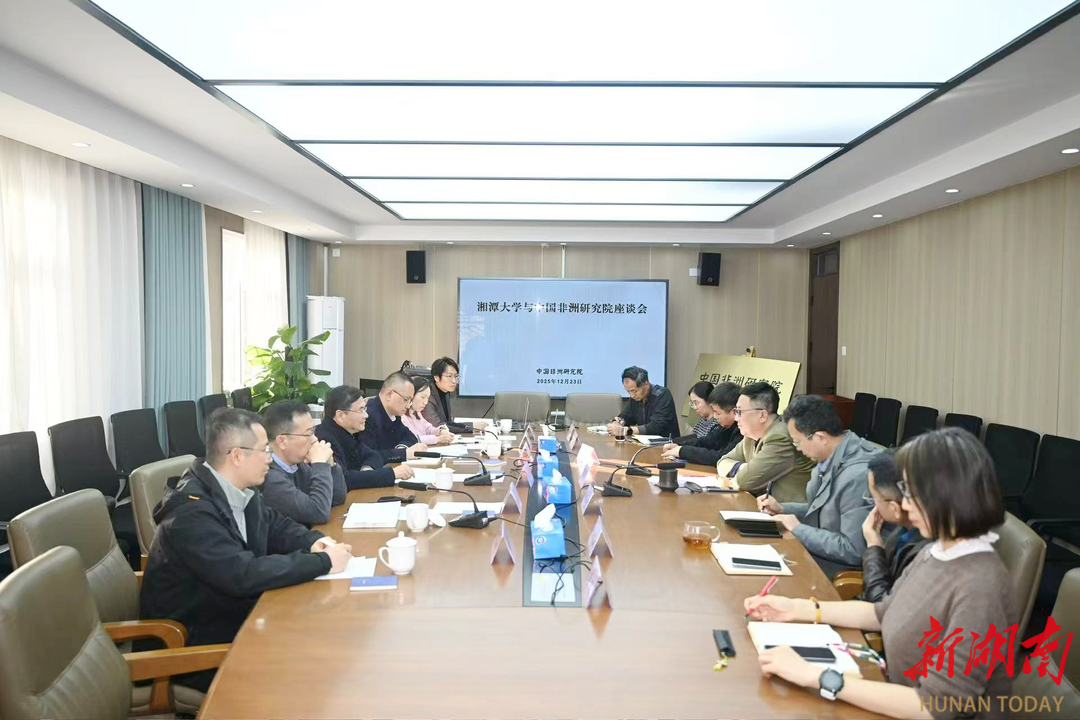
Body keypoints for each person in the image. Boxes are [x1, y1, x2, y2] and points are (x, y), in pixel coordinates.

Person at [745, 428, 1013, 719]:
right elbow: (882, 612)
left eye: (911, 493)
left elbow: (938, 705)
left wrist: (819, 676)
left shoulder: (980, 585)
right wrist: (795, 609)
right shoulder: (937, 551)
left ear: (945, 496)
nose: (904, 504)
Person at [140, 408, 353, 691]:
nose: (270, 459)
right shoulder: (192, 515)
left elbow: (276, 526)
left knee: (328, 635)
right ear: (237, 456)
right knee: (313, 667)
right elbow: (243, 573)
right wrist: (323, 562)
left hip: (235, 617)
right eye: (264, 450)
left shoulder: (239, 490)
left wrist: (313, 541)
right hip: (194, 646)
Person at [757, 395, 876, 577]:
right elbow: (828, 512)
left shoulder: (857, 475)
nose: (797, 448)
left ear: (820, 437)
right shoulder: (830, 457)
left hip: (841, 572)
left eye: (797, 442)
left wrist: (798, 529)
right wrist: (783, 508)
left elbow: (853, 550)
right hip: (819, 557)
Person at [716, 381, 813, 502]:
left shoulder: (780, 438)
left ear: (762, 415)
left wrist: (745, 471)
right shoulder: (751, 435)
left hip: (787, 510)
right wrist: (744, 468)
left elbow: (743, 481)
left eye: (739, 412)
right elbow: (722, 462)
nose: (736, 418)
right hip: (761, 505)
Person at [261, 399, 346, 526]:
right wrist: (320, 465)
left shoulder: (297, 465)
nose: (315, 439)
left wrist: (330, 464)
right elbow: (319, 513)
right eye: (308, 434)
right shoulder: (270, 477)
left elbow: (337, 498)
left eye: (313, 432)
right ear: (282, 441)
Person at [857, 451, 927, 602]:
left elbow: (882, 605)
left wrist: (874, 547)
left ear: (894, 508)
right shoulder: (903, 528)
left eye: (874, 497)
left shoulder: (927, 553)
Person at [315, 385, 414, 489]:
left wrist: (367, 469)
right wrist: (392, 474)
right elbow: (344, 479)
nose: (366, 415)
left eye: (364, 409)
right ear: (340, 415)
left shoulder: (350, 433)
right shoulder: (324, 440)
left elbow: (374, 455)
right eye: (361, 410)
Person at [661, 382, 743, 465]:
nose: (715, 416)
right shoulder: (725, 427)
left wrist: (682, 451)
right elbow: (706, 442)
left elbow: (722, 457)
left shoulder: (742, 431)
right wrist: (678, 445)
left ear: (734, 412)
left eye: (718, 413)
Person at [357, 372, 428, 458]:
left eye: (410, 401)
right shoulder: (368, 416)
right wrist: (404, 453)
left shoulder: (394, 414)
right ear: (389, 394)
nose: (408, 405)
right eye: (406, 400)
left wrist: (401, 448)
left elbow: (410, 437)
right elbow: (370, 456)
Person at [605, 366, 681, 439]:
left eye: (634, 391)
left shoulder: (662, 395)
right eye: (628, 391)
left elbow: (656, 426)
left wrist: (625, 430)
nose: (632, 395)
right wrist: (619, 422)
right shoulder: (635, 398)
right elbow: (626, 417)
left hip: (666, 443)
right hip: (644, 442)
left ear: (646, 384)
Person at [423, 357, 487, 434]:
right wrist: (471, 427)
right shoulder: (427, 397)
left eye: (456, 376)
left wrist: (471, 426)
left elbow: (448, 422)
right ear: (436, 378)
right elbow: (438, 426)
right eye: (449, 376)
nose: (454, 381)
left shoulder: (445, 391)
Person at [402, 376, 453, 446]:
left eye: (427, 398)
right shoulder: (402, 417)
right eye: (422, 397)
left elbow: (428, 429)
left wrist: (441, 430)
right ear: (411, 394)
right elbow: (412, 439)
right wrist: (437, 439)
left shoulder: (416, 413)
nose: (425, 402)